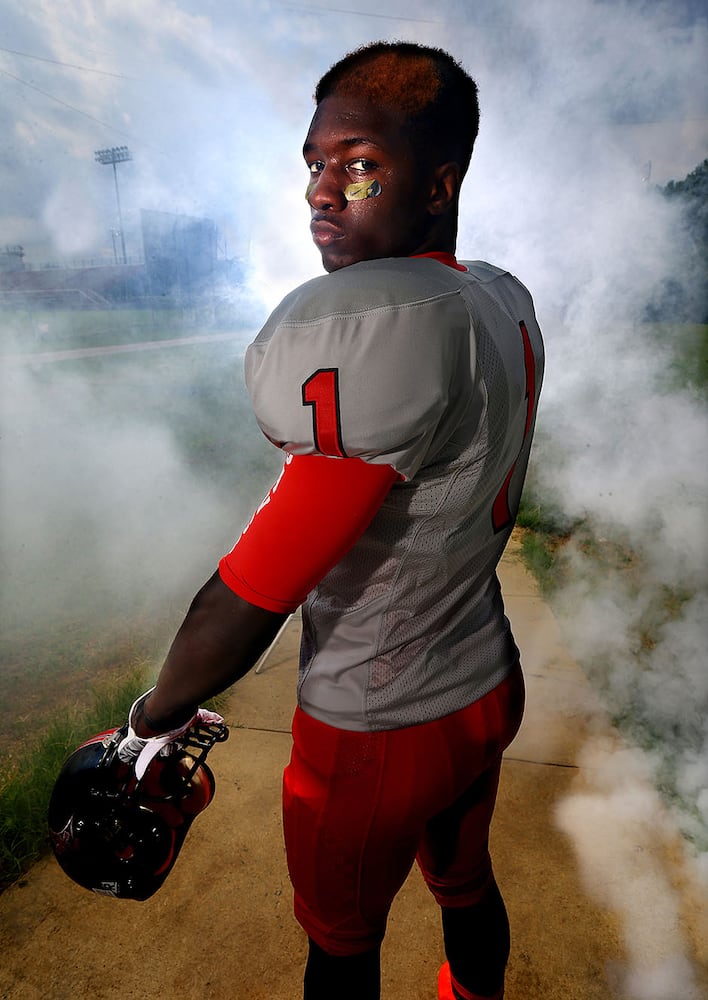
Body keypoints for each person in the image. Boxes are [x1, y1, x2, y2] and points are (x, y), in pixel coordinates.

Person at [118, 41, 544, 1000]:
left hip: (375, 726)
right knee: (466, 884)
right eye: (314, 163)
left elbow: (256, 589)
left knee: (341, 951)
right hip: (483, 679)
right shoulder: (498, 297)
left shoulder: (376, 326)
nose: (321, 191)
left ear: (438, 183)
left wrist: (153, 717)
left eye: (359, 165)